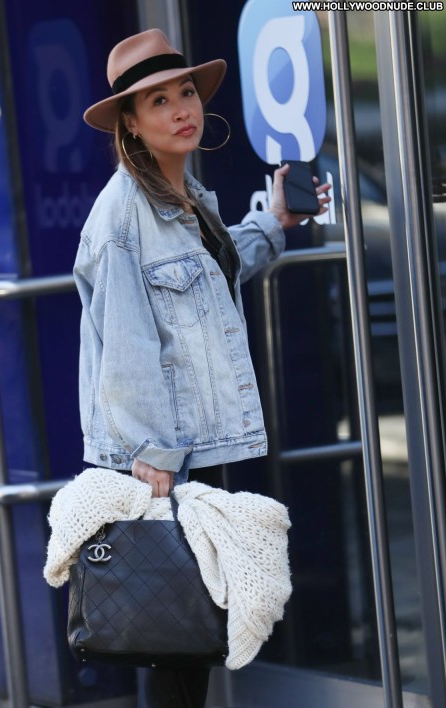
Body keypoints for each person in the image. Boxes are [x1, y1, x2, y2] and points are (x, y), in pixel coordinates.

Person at [74, 27, 331, 708]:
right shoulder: (122, 216)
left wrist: (275, 222)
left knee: (191, 631)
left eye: (185, 92)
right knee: (173, 640)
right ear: (131, 123)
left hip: (192, 447)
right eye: (157, 101)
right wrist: (155, 458)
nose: (181, 109)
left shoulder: (187, 197)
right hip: (160, 458)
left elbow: (213, 278)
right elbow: (126, 346)